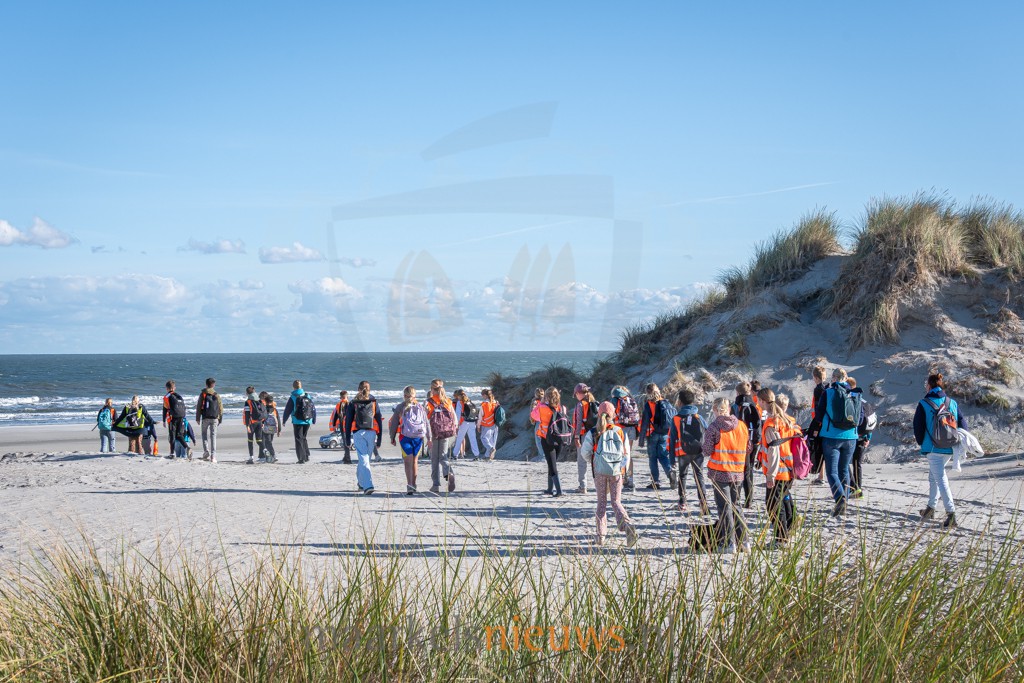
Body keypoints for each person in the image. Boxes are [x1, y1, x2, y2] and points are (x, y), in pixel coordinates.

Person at [913, 373, 967, 529]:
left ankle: (951, 514)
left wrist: (921, 442)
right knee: (934, 476)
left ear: (929, 386)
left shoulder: (924, 403)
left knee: (941, 479)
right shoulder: (952, 402)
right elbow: (963, 423)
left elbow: (918, 427)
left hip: (933, 447)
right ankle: (930, 508)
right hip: (950, 447)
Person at [582, 403, 637, 546]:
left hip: (599, 471)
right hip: (616, 471)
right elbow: (626, 454)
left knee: (601, 503)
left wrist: (594, 462)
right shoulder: (619, 431)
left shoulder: (593, 432)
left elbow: (585, 453)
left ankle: (600, 536)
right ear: (613, 415)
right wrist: (621, 469)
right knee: (616, 501)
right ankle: (626, 525)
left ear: (599, 414)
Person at [704, 397, 750, 553]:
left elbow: (707, 450)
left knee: (725, 508)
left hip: (720, 472)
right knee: (736, 506)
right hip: (737, 472)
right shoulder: (742, 426)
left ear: (716, 410)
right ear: (728, 408)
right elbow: (748, 447)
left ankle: (729, 544)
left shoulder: (714, 426)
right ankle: (744, 541)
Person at [814, 368, 861, 517]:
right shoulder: (855, 393)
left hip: (831, 436)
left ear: (834, 378)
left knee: (832, 471)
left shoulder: (828, 393)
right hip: (851, 437)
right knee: (844, 469)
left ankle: (840, 499)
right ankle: (844, 500)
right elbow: (860, 418)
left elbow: (819, 415)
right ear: (846, 378)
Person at [757, 388, 800, 545]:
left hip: (779, 471)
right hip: (790, 468)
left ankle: (781, 538)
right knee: (783, 499)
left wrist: (770, 475)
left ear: (762, 401)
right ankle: (790, 526)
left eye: (758, 401)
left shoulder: (771, 423)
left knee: (773, 505)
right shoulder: (787, 419)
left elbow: (773, 450)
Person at [668, 389, 710, 515]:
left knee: (683, 476)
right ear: (693, 402)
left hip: (683, 452)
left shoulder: (676, 418)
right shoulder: (699, 417)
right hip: (698, 451)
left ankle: (682, 502)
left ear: (679, 402)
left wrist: (671, 459)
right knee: (699, 476)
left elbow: (672, 440)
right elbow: (707, 432)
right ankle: (703, 503)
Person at [391, 386, 431, 495]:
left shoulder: (400, 407)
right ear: (415, 395)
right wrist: (429, 438)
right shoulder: (420, 407)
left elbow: (394, 423)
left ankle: (409, 485)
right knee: (414, 461)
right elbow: (426, 423)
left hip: (405, 437)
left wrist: (392, 437)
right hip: (418, 437)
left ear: (404, 396)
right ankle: (414, 484)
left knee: (407, 461)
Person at [344, 381, 382, 494]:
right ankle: (365, 485)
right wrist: (379, 438)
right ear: (369, 389)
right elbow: (379, 418)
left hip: (358, 433)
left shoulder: (353, 402)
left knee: (364, 460)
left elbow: (348, 421)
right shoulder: (373, 401)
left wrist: (347, 438)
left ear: (358, 388)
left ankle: (365, 484)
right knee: (365, 460)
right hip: (371, 433)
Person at [638, 383, 675, 490]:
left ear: (647, 393)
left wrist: (641, 439)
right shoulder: (666, 403)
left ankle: (656, 482)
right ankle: (670, 472)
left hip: (652, 434)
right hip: (665, 433)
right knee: (663, 456)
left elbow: (644, 423)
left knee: (653, 458)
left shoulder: (648, 405)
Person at [531, 386, 567, 497]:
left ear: (546, 397)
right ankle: (549, 488)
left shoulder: (542, 408)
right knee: (552, 463)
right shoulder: (561, 408)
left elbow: (533, 416)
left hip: (547, 439)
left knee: (552, 466)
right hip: (559, 438)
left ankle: (559, 491)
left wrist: (541, 402)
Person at [731, 381, 762, 508]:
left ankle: (737, 498)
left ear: (737, 392)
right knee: (749, 470)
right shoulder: (755, 405)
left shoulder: (735, 407)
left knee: (738, 470)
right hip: (753, 441)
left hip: (740, 442)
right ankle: (749, 499)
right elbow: (759, 423)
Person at [426, 379, 458, 494]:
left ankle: (435, 485)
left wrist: (426, 435)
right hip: (445, 432)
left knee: (434, 459)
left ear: (432, 389)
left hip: (434, 432)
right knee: (443, 457)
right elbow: (454, 418)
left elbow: (426, 418)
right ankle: (449, 473)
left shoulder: (429, 402)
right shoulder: (448, 401)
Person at [610, 385, 640, 491]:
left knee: (619, 454)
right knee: (628, 454)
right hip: (631, 428)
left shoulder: (615, 399)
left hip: (620, 429)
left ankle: (621, 479)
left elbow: (611, 414)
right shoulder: (630, 399)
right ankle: (630, 480)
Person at [571, 383, 599, 493]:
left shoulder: (580, 405)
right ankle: (599, 485)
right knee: (596, 461)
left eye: (576, 394)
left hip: (583, 435)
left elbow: (578, 423)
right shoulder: (595, 403)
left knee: (582, 461)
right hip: (595, 435)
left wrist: (576, 437)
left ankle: (583, 486)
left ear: (578, 393)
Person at [847, 377, 871, 498]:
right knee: (857, 464)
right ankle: (858, 489)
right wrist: (868, 437)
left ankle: (853, 489)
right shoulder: (865, 402)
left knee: (845, 463)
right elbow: (870, 419)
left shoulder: (850, 400)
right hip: (863, 437)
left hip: (852, 436)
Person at [282, 380, 316, 464]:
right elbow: (313, 408)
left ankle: (301, 458)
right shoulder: (307, 395)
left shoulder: (293, 397)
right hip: (308, 420)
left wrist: (284, 420)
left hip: (297, 421)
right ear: (301, 386)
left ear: (293, 387)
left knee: (298, 439)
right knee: (303, 438)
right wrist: (314, 419)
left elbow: (288, 410)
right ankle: (306, 456)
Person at [195, 377, 223, 462]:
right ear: (213, 385)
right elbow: (221, 408)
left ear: (206, 384)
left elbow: (199, 406)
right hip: (215, 418)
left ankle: (206, 451)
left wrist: (197, 418)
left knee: (204, 434)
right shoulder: (216, 394)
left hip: (205, 417)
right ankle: (213, 456)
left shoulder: (203, 394)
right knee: (213, 436)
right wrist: (220, 418)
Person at [808, 366, 827, 485]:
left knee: (818, 448)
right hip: (827, 423)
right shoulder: (828, 387)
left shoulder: (818, 389)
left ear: (815, 377)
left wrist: (816, 424)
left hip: (819, 422)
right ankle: (822, 475)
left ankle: (820, 476)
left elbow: (818, 407)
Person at [163, 380, 192, 460]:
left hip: (173, 418)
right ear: (174, 388)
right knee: (179, 435)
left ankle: (172, 453)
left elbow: (165, 409)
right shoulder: (179, 396)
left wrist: (163, 420)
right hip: (181, 417)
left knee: (172, 435)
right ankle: (187, 447)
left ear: (167, 388)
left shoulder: (167, 396)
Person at [451, 388, 482, 461]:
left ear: (458, 395)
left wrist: (456, 424)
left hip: (464, 422)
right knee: (473, 438)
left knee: (459, 439)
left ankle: (455, 455)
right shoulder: (469, 401)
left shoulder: (460, 402)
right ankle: (476, 455)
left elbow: (458, 414)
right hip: (472, 422)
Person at [243, 385, 266, 464]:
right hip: (259, 422)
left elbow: (247, 415)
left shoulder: (248, 402)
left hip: (251, 423)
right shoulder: (259, 400)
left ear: (247, 393)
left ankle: (251, 457)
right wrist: (262, 422)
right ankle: (266, 452)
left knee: (250, 440)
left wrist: (247, 425)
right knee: (259, 440)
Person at [330, 391, 352, 464]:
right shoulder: (350, 404)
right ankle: (346, 457)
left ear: (340, 397)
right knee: (348, 441)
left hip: (342, 425)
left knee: (345, 441)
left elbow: (336, 415)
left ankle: (347, 457)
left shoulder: (338, 404)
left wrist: (333, 424)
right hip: (349, 425)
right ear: (347, 397)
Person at [478, 388, 500, 461]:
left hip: (486, 423)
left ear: (485, 395)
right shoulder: (496, 402)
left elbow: (480, 416)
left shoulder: (484, 404)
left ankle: (491, 449)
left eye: (482, 395)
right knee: (491, 440)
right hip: (495, 423)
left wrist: (478, 426)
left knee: (483, 438)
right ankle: (488, 456)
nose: (482, 396)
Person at [261, 391, 280, 463]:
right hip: (273, 427)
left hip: (266, 427)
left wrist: (261, 424)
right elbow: (278, 420)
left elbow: (263, 418)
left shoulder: (264, 409)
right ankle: (269, 458)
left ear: (265, 401)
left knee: (267, 442)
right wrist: (279, 430)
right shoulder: (275, 410)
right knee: (270, 441)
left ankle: (273, 455)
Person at [528, 387, 546, 463]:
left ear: (536, 394)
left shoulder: (535, 401)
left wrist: (532, 420)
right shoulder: (546, 401)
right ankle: (542, 455)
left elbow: (532, 411)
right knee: (543, 440)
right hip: (546, 421)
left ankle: (542, 457)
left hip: (538, 422)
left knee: (538, 440)